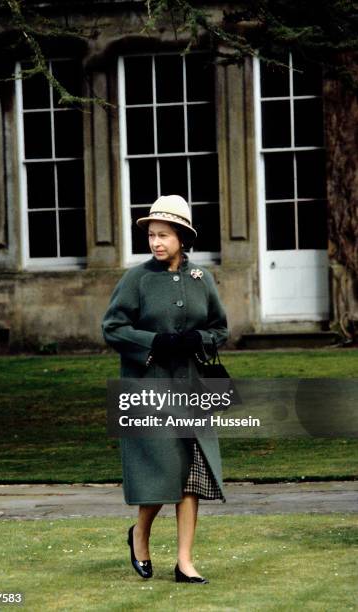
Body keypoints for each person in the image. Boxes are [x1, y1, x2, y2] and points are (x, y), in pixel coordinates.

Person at [102, 195, 228, 584]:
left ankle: (184, 562)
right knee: (163, 472)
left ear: (182, 238)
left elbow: (220, 329)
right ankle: (140, 533)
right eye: (152, 235)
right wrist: (154, 342)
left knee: (191, 474)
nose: (156, 242)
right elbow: (112, 328)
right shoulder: (136, 279)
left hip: (192, 390)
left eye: (164, 235)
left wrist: (198, 339)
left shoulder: (202, 279)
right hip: (148, 389)